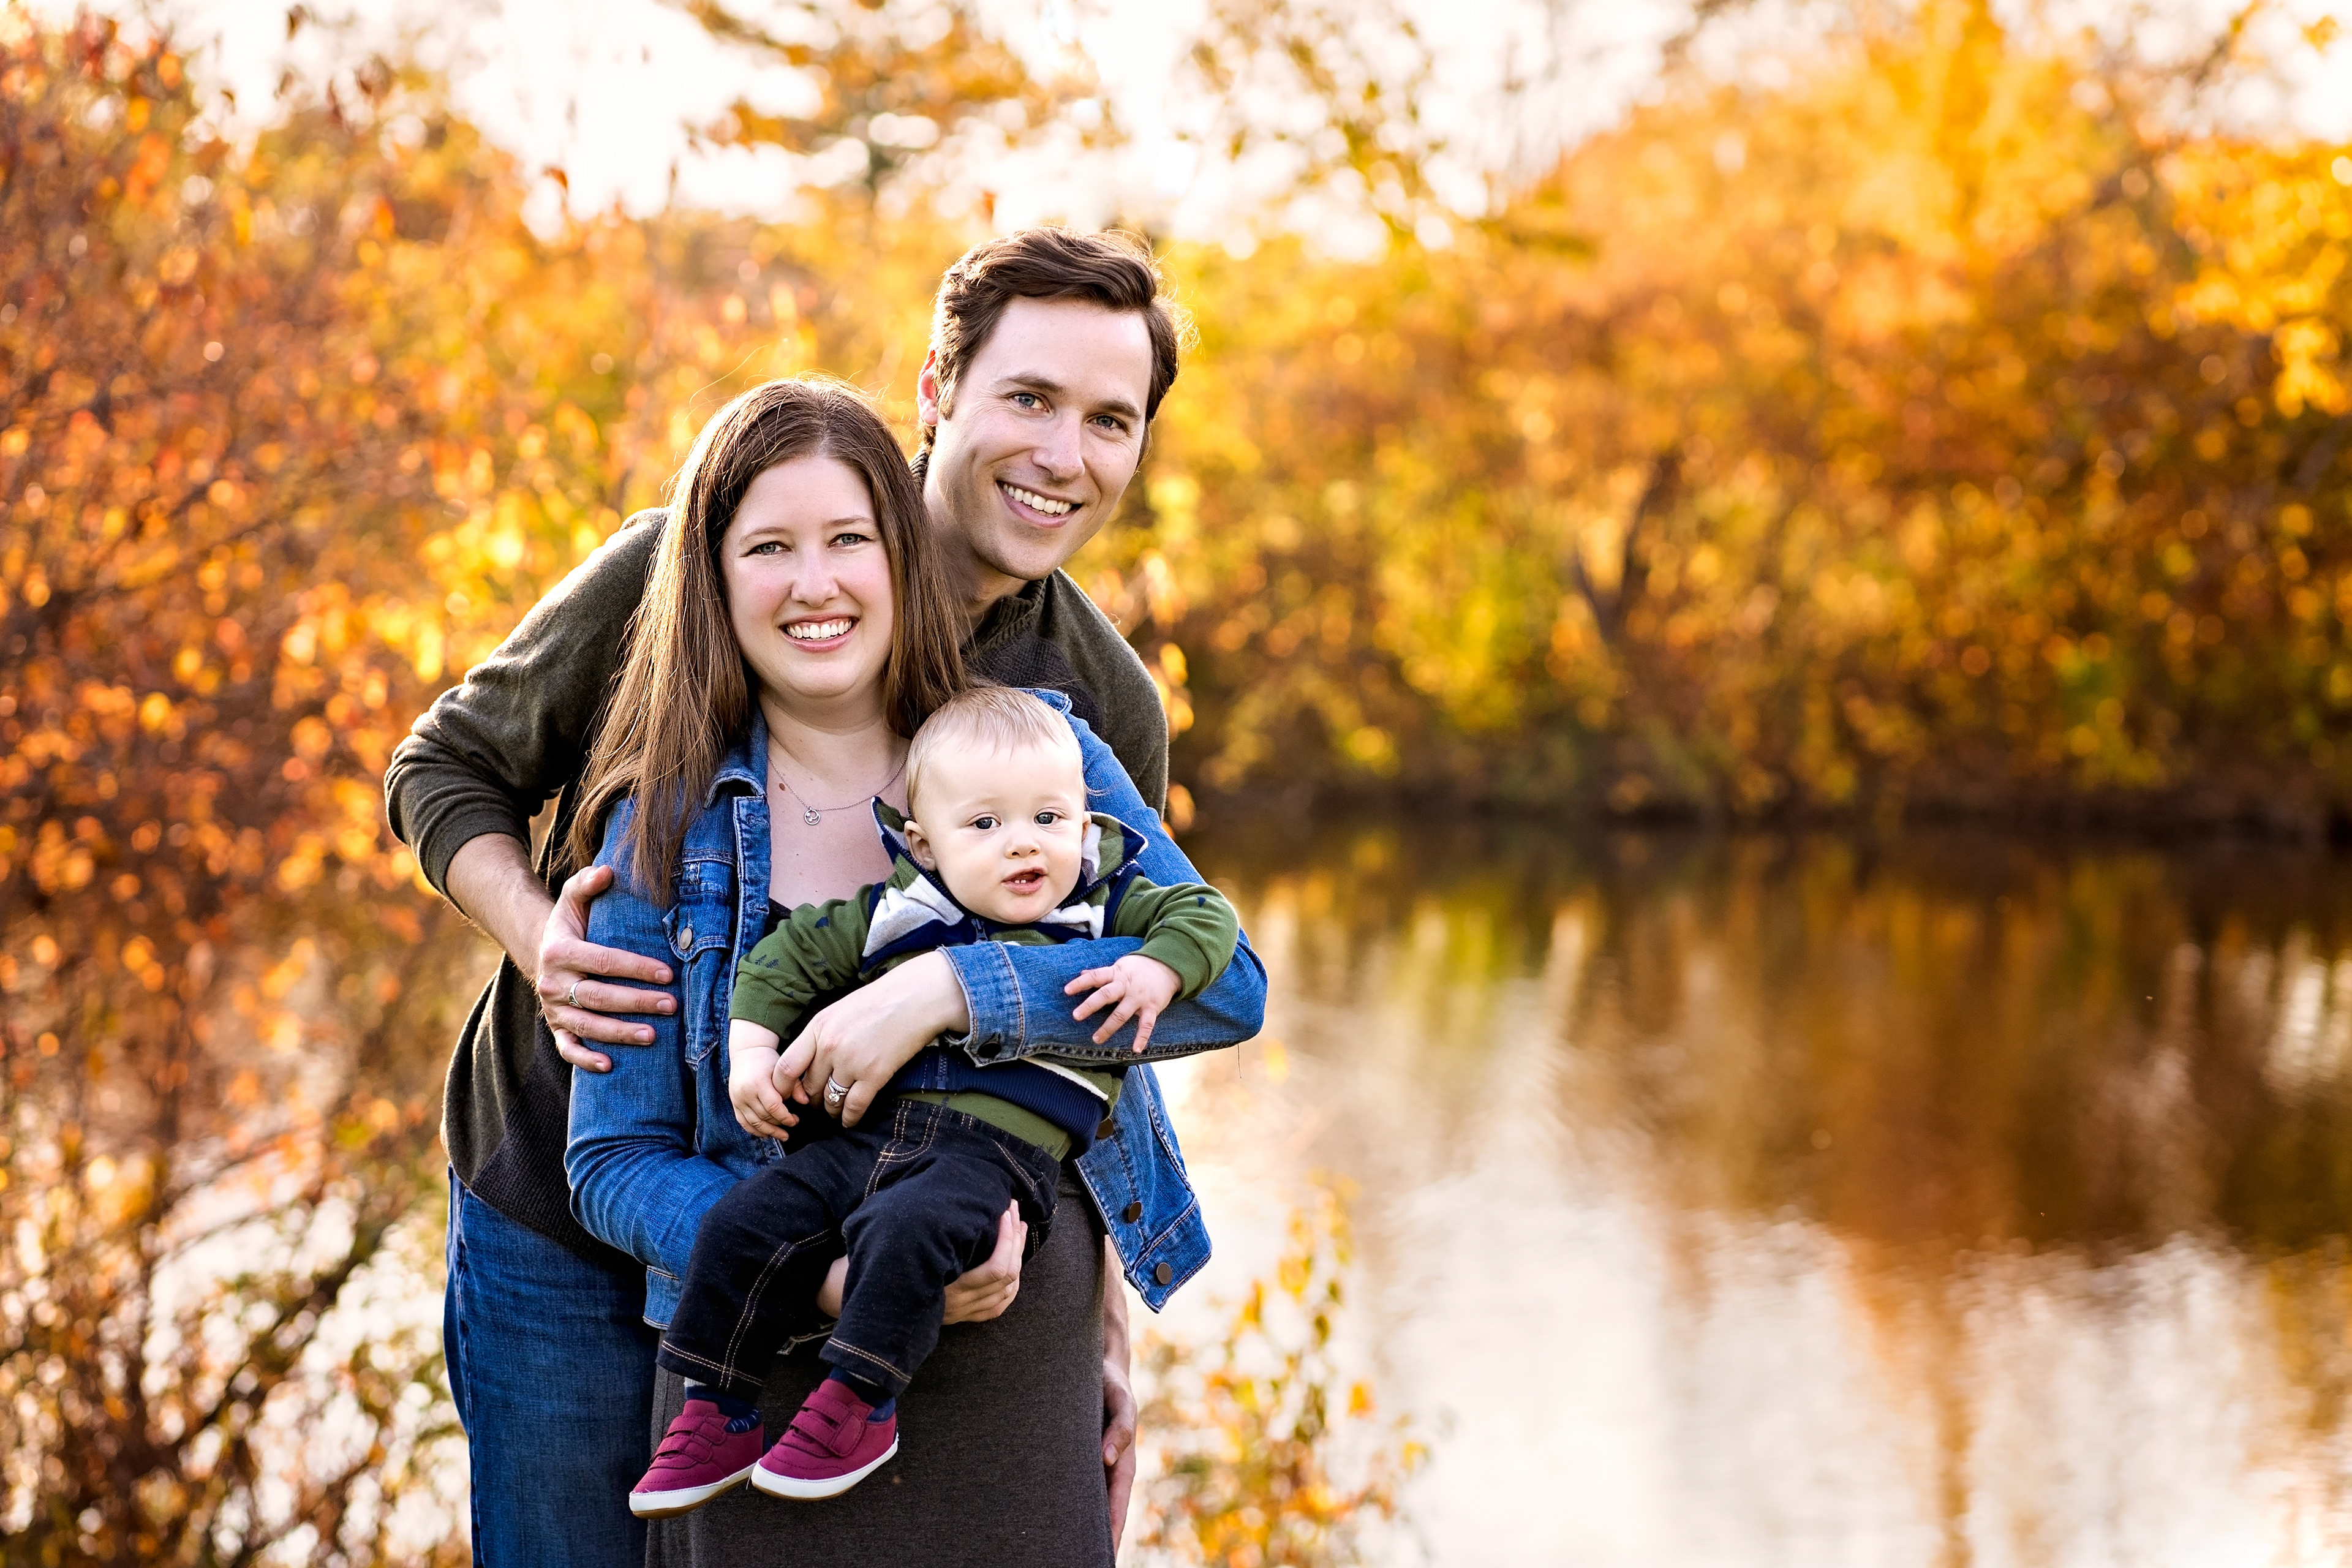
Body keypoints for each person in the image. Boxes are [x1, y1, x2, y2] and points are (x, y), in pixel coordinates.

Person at [383, 228, 1266, 1567]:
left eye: (1110, 420)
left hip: (836, 1221)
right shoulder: (706, 563)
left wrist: (1101, 1328)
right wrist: (537, 931)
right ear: (938, 389)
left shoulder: (1090, 703)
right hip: (567, 1202)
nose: (1061, 454)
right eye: (1028, 397)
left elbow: (1107, 1019)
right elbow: (442, 765)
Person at [630, 685, 1240, 1515]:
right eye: (986, 825)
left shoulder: (1102, 899)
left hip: (994, 1155)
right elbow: (783, 964)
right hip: (867, 1140)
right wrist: (749, 1056)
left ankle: (860, 1404)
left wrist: (1157, 966)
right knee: (748, 1219)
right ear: (923, 842)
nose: (1024, 845)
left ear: (1083, 822)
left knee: (906, 1230)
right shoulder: (896, 911)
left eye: (1049, 819)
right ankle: (717, 1407)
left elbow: (1209, 920)